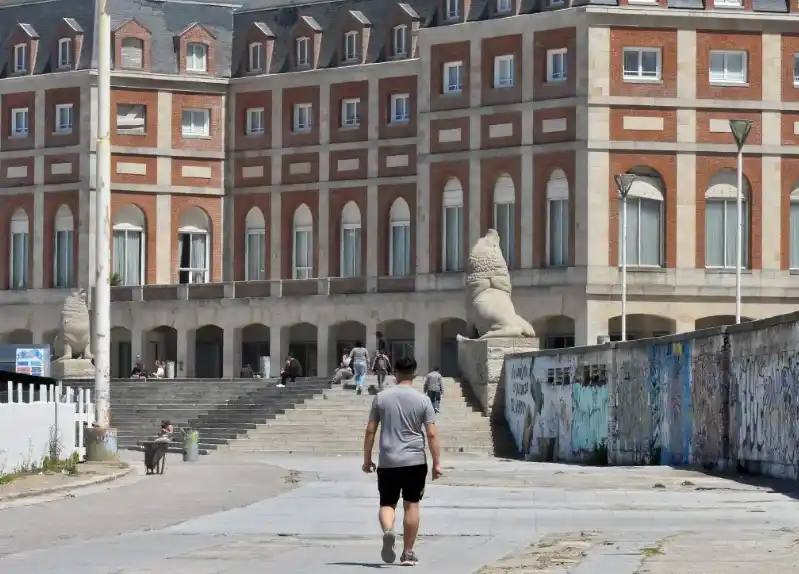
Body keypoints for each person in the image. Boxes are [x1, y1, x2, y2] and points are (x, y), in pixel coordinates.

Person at [362, 356, 442, 566]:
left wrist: (367, 459)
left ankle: (388, 531)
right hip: (415, 461)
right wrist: (436, 463)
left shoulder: (381, 398)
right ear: (414, 374)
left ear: (394, 372)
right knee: (411, 505)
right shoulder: (423, 400)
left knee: (387, 503)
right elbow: (432, 434)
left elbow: (370, 430)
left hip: (389, 461)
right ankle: (407, 553)